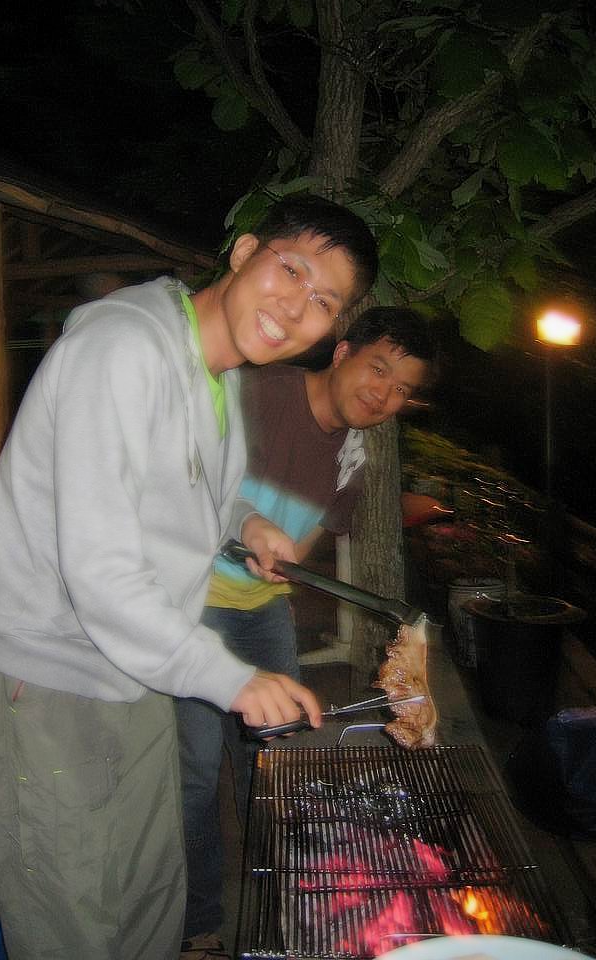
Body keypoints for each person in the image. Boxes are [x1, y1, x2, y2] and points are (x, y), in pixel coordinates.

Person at [0, 194, 379, 960]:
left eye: (324, 302)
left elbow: (179, 485)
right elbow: (99, 568)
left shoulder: (220, 374)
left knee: (152, 892)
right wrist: (233, 679)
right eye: (292, 270)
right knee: (73, 921)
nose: (296, 307)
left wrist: (244, 524)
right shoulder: (122, 348)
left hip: (136, 668)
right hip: (46, 677)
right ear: (244, 252)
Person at [177, 307, 437, 959]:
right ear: (342, 351)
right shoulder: (255, 392)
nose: (384, 393)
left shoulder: (354, 455)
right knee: (196, 769)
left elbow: (303, 545)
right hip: (188, 602)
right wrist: (245, 527)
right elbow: (184, 476)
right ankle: (198, 921)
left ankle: (281, 899)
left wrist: (279, 577)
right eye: (378, 368)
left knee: (275, 762)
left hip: (263, 610)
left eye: (401, 388)